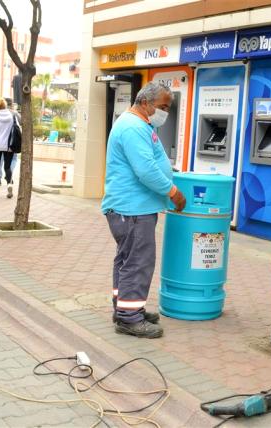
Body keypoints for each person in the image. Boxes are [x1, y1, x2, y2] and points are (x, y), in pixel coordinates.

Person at [101, 82, 186, 339]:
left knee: (127, 261)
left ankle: (127, 308)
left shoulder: (138, 124)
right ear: (146, 103)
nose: (165, 112)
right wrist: (173, 192)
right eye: (162, 107)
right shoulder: (133, 127)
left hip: (131, 208)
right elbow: (146, 169)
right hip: (132, 210)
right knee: (138, 263)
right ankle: (129, 319)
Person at [0, 98, 20, 186]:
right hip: (12, 141)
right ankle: (9, 175)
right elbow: (21, 122)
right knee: (13, 159)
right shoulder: (15, 113)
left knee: (0, 160)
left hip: (0, 142)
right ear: (11, 104)